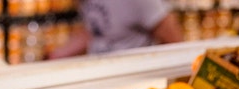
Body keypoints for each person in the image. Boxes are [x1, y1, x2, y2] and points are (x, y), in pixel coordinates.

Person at [50, 0, 183, 58]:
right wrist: (56, 55)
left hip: (128, 80)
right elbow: (96, 31)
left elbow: (175, 42)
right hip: (98, 72)